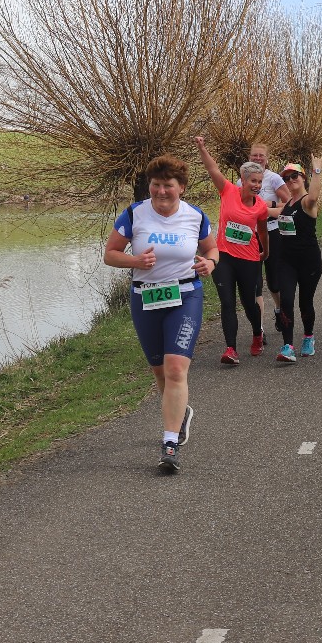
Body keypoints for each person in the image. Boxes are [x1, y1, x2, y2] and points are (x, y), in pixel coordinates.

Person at [104, 154, 218, 473]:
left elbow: (212, 248)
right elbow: (110, 254)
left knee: (175, 369)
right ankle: (181, 413)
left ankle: (170, 443)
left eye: (168, 185)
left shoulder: (195, 216)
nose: (161, 191)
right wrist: (135, 262)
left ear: (181, 187)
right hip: (146, 297)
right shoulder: (134, 214)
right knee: (159, 371)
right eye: (155, 185)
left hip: (185, 295)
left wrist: (210, 262)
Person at [194, 135, 269, 367]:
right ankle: (231, 349)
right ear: (243, 181)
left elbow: (262, 232)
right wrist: (202, 148)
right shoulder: (228, 191)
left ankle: (257, 333)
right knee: (227, 302)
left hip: (249, 260)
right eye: (253, 181)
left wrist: (265, 253)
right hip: (224, 257)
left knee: (248, 303)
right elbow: (212, 169)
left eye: (260, 182)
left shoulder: (261, 207)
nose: (257, 185)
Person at [274, 161, 322, 359]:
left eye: (294, 176)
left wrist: (316, 171)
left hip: (308, 261)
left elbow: (314, 197)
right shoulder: (287, 203)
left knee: (305, 302)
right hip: (287, 261)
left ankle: (308, 337)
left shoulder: (306, 202)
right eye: (286, 178)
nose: (290, 180)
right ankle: (287, 346)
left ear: (303, 177)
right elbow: (267, 211)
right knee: (286, 300)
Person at [246, 140, 288, 355]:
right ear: (249, 157)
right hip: (250, 235)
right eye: (254, 155)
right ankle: (259, 329)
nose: (258, 158)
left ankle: (279, 310)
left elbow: (289, 203)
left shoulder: (274, 179)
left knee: (273, 281)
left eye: (261, 155)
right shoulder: (241, 180)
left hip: (272, 232)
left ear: (267, 158)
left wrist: (266, 207)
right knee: (255, 283)